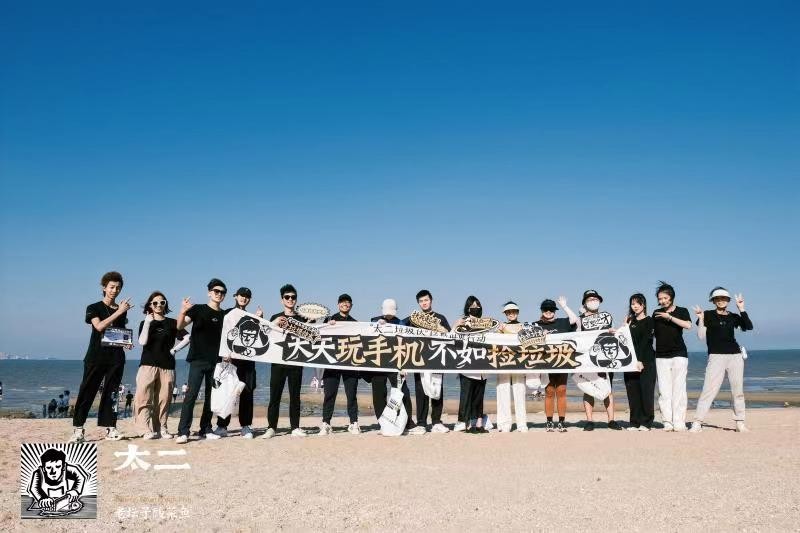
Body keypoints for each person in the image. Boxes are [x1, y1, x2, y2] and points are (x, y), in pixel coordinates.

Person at [70, 271, 132, 443]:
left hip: (116, 357)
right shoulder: (93, 307)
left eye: (118, 288)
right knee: (87, 391)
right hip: (95, 356)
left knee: (112, 394)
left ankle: (110, 428)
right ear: (104, 287)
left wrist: (126, 342)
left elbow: (117, 332)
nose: (114, 290)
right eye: (111, 287)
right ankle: (78, 429)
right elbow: (99, 327)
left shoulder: (121, 311)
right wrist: (119, 311)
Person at [690, 288, 754, 433]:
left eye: (724, 298)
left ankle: (740, 423)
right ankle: (697, 422)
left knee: (738, 391)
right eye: (717, 298)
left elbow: (748, 326)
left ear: (728, 301)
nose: (720, 301)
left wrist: (741, 308)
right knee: (708, 390)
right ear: (713, 301)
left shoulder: (733, 316)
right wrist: (701, 318)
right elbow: (701, 336)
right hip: (716, 357)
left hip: (735, 356)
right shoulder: (707, 314)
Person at [175, 278, 228, 444]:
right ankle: (183, 431)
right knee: (190, 395)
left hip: (216, 361)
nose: (219, 294)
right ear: (209, 293)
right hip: (198, 359)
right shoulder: (198, 309)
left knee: (211, 397)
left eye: (222, 292)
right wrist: (182, 311)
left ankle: (205, 429)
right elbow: (179, 326)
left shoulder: (224, 315)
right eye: (216, 291)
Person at [212, 287, 263, 439]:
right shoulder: (227, 313)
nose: (244, 298)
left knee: (247, 392)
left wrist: (259, 319)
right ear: (235, 296)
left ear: (249, 299)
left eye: (247, 296)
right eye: (242, 295)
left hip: (247, 361)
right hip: (230, 360)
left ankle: (245, 426)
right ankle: (222, 426)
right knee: (227, 392)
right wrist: (223, 354)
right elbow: (221, 334)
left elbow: (260, 337)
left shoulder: (251, 316)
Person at [134, 291, 185, 439]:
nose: (159, 305)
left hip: (167, 365)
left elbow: (188, 337)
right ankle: (144, 429)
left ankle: (161, 428)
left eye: (162, 302)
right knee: (143, 397)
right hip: (147, 365)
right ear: (150, 305)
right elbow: (142, 342)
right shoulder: (144, 322)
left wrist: (175, 350)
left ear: (165, 304)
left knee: (164, 399)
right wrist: (148, 322)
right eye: (155, 302)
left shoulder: (172, 323)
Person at [263, 284, 309, 438]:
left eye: (293, 297)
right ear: (282, 300)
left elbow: (315, 336)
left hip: (296, 362)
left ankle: (295, 427)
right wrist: (273, 322)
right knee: (274, 396)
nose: (290, 299)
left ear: (296, 299)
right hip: (278, 362)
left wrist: (317, 323)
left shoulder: (302, 318)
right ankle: (271, 427)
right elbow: (265, 335)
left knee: (295, 396)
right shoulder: (275, 317)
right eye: (287, 297)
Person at [403, 289, 451, 434]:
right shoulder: (413, 319)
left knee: (437, 390)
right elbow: (398, 326)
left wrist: (441, 328)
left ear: (431, 300)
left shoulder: (440, 318)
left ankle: (436, 422)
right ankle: (421, 424)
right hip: (420, 359)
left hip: (437, 358)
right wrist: (383, 322)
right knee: (420, 391)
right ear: (418, 303)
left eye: (426, 300)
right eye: (421, 301)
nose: (424, 303)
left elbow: (450, 336)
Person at [369, 298, 416, 434]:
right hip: (378, 363)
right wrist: (377, 325)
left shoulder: (401, 323)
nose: (389, 315)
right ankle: (382, 423)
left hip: (396, 363)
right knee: (379, 393)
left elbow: (406, 344)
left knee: (403, 391)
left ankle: (408, 422)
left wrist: (405, 365)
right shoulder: (374, 321)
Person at [578, 290, 621, 431]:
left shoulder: (606, 317)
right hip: (587, 359)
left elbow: (614, 334)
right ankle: (589, 421)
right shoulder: (580, 319)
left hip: (605, 358)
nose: (593, 301)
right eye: (589, 299)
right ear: (584, 303)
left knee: (608, 388)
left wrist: (615, 331)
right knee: (588, 388)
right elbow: (575, 336)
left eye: (595, 299)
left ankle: (611, 420)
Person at [653, 281, 693, 432]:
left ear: (671, 297)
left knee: (679, 390)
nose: (662, 301)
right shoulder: (656, 313)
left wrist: (669, 317)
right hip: (661, 356)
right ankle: (667, 421)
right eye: (660, 298)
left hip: (679, 354)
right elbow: (651, 332)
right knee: (664, 391)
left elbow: (688, 325)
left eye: (665, 298)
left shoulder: (682, 311)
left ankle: (679, 421)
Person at [320, 294, 361, 435]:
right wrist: (327, 324)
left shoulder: (355, 323)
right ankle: (326, 423)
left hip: (349, 362)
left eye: (348, 302)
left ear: (351, 306)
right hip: (332, 362)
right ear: (338, 304)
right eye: (343, 302)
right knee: (329, 394)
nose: (345, 304)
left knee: (351, 394)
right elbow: (318, 333)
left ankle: (354, 423)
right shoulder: (330, 319)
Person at [536, 297, 578, 432]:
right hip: (545, 363)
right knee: (549, 392)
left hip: (562, 362)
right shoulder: (536, 325)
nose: (548, 311)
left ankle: (561, 421)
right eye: (545, 309)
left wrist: (565, 306)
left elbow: (575, 320)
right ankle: (549, 422)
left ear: (555, 311)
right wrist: (540, 336)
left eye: (551, 309)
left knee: (561, 391)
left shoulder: (562, 322)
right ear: (542, 311)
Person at [453, 296, 489, 433]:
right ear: (467, 308)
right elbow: (451, 338)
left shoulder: (485, 323)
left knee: (479, 396)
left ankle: (479, 422)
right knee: (466, 396)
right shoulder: (462, 322)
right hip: (467, 365)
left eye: (477, 306)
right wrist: (455, 325)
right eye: (472, 306)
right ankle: (465, 423)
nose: (475, 308)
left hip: (482, 366)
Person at [623, 293, 656, 431]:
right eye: (632, 304)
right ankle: (634, 422)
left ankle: (646, 422)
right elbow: (624, 339)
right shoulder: (630, 321)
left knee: (646, 392)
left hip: (646, 360)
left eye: (638, 303)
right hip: (630, 362)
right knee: (633, 392)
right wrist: (624, 326)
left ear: (643, 305)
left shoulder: (649, 320)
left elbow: (646, 341)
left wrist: (640, 360)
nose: (635, 306)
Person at [495, 301, 528, 433]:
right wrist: (499, 330)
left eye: (513, 311)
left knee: (520, 391)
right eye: (508, 312)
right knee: (502, 391)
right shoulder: (501, 326)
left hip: (519, 362)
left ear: (517, 312)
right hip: (503, 361)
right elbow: (493, 342)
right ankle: (504, 424)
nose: (511, 314)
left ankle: (522, 424)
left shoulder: (524, 326)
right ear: (505, 314)